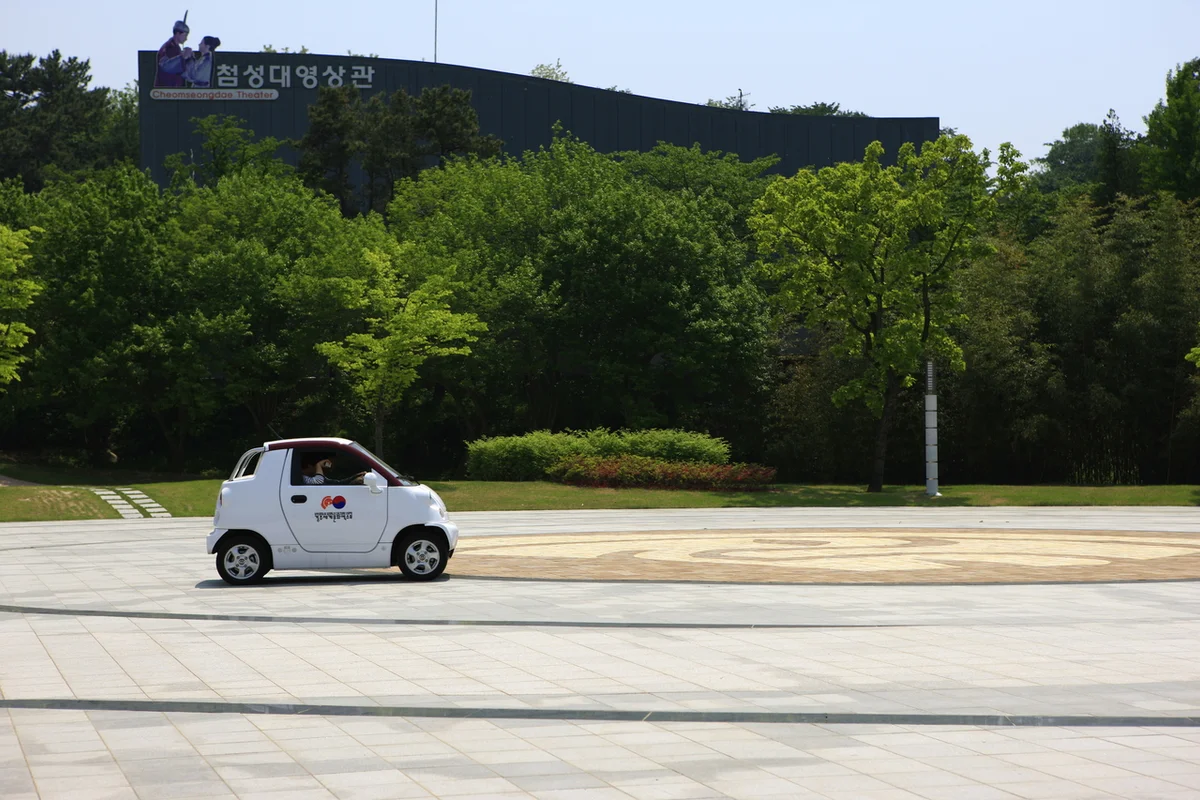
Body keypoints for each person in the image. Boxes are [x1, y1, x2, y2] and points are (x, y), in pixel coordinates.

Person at [155, 16, 192, 87]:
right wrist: (182, 57)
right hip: (166, 90)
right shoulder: (168, 47)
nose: (186, 38)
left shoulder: (176, 48)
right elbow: (165, 67)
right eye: (185, 35)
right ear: (178, 33)